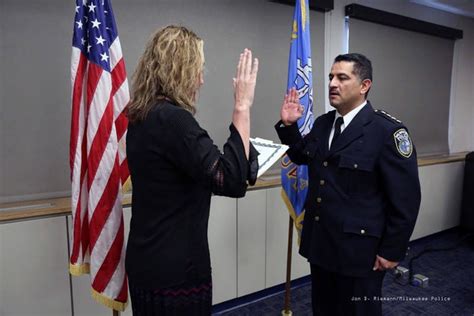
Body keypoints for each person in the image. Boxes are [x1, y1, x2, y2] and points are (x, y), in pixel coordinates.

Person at [125, 25, 259, 316]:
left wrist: (241, 159)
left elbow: (213, 168)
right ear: (180, 71)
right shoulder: (175, 121)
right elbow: (232, 181)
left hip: (148, 261)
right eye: (197, 70)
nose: (200, 80)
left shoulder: (142, 115)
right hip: (176, 270)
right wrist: (242, 105)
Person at [275, 53, 421, 316]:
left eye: (342, 77)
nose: (333, 83)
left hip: (360, 253)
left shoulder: (386, 132)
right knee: (324, 309)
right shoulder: (323, 124)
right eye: (331, 76)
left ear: (364, 85)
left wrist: (392, 250)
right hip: (322, 244)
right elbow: (301, 155)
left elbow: (406, 199)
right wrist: (288, 125)